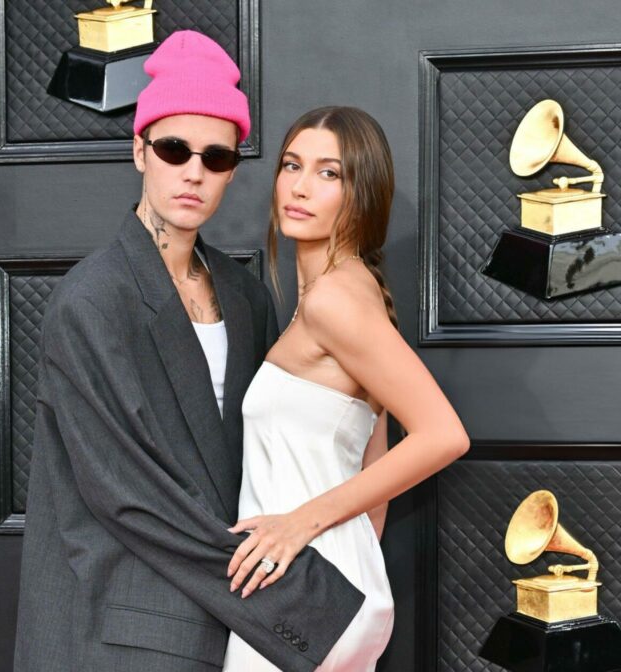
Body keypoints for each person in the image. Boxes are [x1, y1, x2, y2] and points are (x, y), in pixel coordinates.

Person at [13, 34, 363, 672]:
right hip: (134, 621)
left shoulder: (245, 295)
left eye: (217, 156)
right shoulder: (92, 301)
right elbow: (128, 493)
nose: (194, 171)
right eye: (175, 149)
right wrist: (301, 603)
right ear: (140, 151)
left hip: (231, 617)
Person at [221, 107, 470, 671]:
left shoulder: (335, 301)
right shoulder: (357, 293)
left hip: (301, 589)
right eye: (292, 165)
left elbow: (443, 435)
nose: (301, 187)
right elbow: (373, 472)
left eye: (329, 173)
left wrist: (299, 524)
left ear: (363, 192)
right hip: (335, 585)